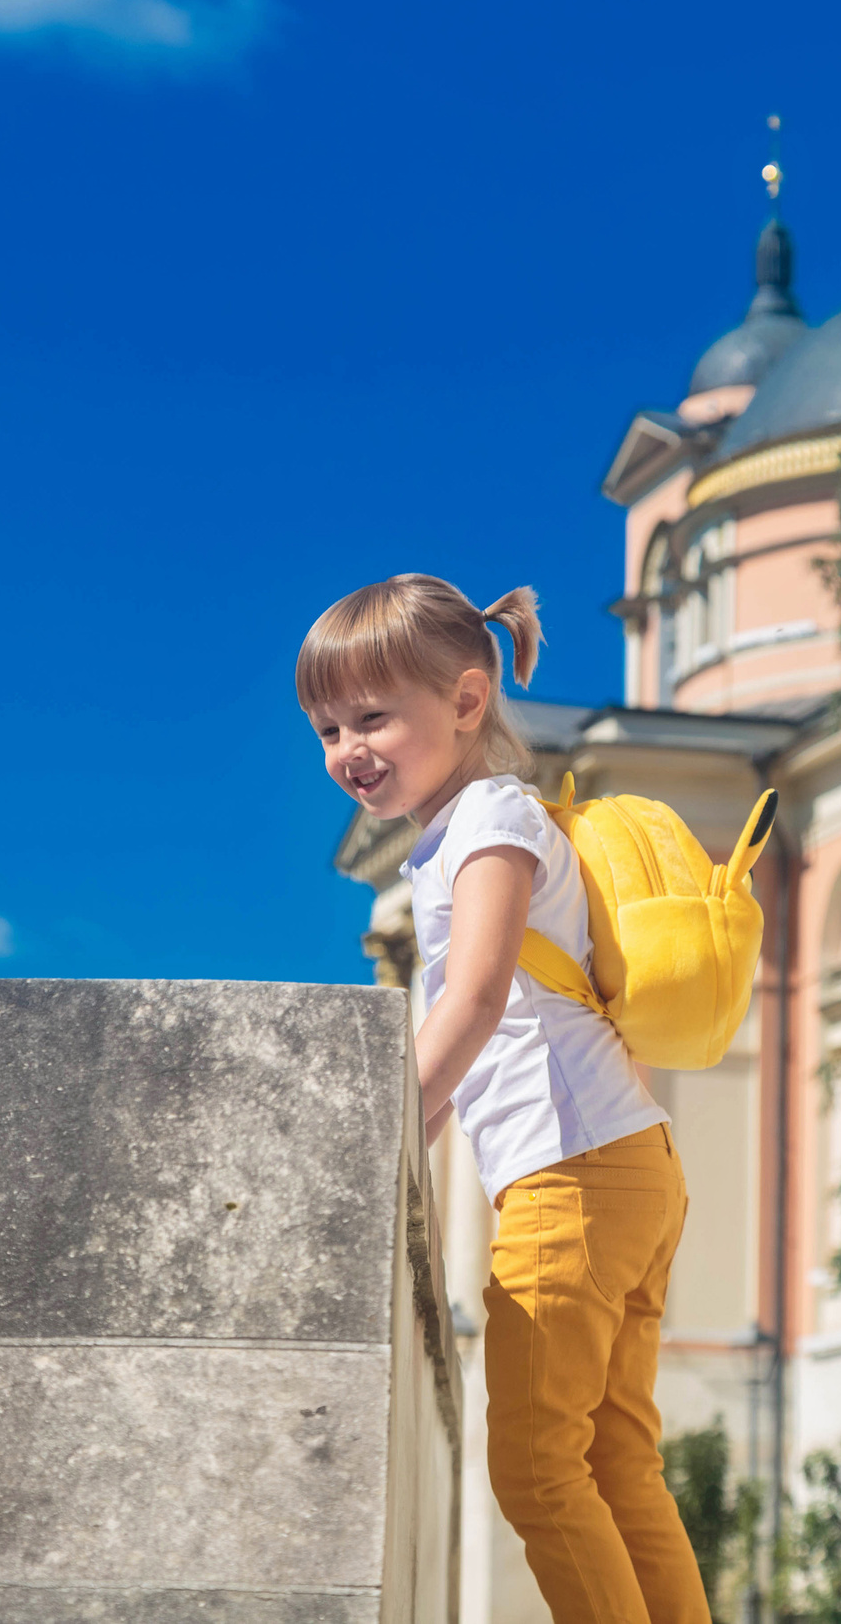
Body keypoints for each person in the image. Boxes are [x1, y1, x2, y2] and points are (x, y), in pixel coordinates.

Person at [299, 573, 710, 1624]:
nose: (347, 746)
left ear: (468, 702)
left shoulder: (486, 818)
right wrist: (418, 1132)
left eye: (373, 716)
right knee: (615, 1460)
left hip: (569, 1177)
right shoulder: (474, 825)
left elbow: (475, 999)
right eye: (327, 725)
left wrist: (372, 1147)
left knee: (534, 1468)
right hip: (624, 1163)